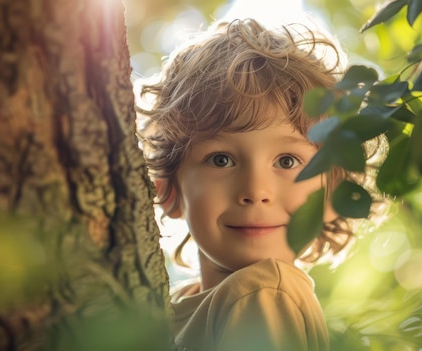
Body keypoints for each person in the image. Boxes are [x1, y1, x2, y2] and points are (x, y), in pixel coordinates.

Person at [135, 18, 372, 351]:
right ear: (169, 190)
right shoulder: (184, 304)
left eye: (287, 161)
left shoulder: (262, 293)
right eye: (221, 160)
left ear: (333, 192)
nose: (256, 191)